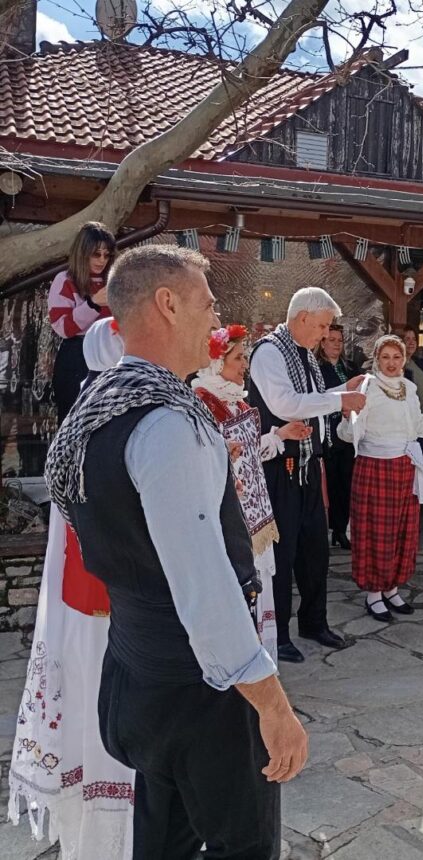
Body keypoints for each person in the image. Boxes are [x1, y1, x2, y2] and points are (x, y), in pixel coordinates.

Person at [43, 245, 307, 859]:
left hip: (136, 673)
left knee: (163, 843)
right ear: (167, 304)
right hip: (198, 694)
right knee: (244, 847)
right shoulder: (166, 423)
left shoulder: (97, 407)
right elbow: (203, 586)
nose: (216, 321)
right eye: (208, 305)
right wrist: (273, 706)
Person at [9, 318, 134, 860]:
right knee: (104, 697)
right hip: (103, 592)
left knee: (96, 695)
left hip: (89, 590)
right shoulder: (109, 416)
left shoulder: (87, 412)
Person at [248, 287, 366, 663]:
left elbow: (311, 399)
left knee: (315, 551)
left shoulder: (304, 353)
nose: (325, 333)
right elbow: (285, 404)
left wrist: (341, 389)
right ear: (302, 318)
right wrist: (339, 399)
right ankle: (279, 633)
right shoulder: (269, 352)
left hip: (309, 465)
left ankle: (314, 622)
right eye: (322, 325)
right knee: (282, 556)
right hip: (280, 467)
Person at [193, 324, 311, 662]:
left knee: (259, 583)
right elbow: (200, 458)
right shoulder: (202, 403)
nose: (245, 365)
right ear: (217, 363)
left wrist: (281, 435)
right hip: (227, 516)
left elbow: (249, 453)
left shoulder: (237, 403)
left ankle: (257, 657)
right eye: (238, 358)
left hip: (254, 514)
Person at [338, 334, 423, 620]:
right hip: (375, 467)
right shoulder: (367, 388)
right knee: (376, 532)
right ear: (377, 359)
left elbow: (420, 428)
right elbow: (348, 434)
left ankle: (392, 588)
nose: (391, 363)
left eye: (396, 357)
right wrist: (348, 416)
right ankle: (374, 593)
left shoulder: (409, 389)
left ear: (404, 359)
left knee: (402, 531)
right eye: (385, 357)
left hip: (404, 467)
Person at [49, 222, 115, 423]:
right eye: (96, 254)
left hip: (111, 354)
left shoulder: (115, 281)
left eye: (107, 255)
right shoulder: (65, 280)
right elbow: (64, 328)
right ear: (82, 252)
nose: (102, 260)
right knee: (73, 420)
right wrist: (93, 304)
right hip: (77, 355)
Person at [316, 324, 358, 550]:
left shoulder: (349, 367)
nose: (336, 344)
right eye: (331, 340)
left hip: (348, 431)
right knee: (330, 483)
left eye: (339, 340)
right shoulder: (317, 368)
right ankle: (330, 528)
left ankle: (341, 529)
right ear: (322, 343)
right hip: (328, 432)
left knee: (346, 483)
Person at [399, 324, 423, 409]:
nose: (412, 342)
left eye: (414, 339)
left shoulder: (419, 363)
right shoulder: (398, 368)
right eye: (407, 339)